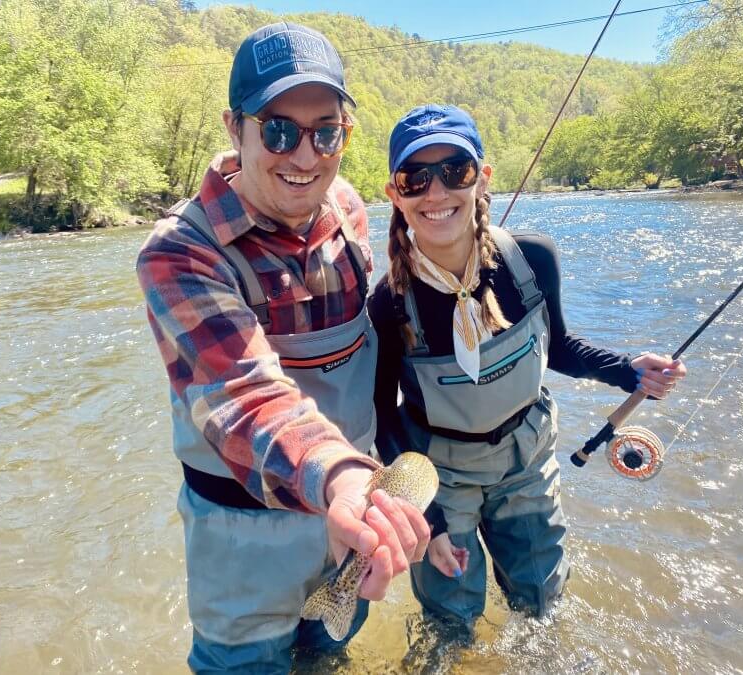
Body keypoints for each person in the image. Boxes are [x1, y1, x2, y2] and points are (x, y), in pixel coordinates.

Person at [136, 23, 430, 674]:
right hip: (244, 554)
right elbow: (246, 396)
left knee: (328, 657)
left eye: (325, 131)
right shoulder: (180, 253)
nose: (305, 155)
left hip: (347, 531)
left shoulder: (349, 210)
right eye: (278, 130)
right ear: (233, 128)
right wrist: (347, 478)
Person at [368, 104, 687, 625]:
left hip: (527, 457)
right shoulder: (387, 305)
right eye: (415, 178)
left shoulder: (531, 261)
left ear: (482, 178)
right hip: (440, 476)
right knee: (451, 621)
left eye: (456, 171)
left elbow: (559, 348)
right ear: (395, 194)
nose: (436, 192)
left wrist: (630, 372)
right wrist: (429, 519)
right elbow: (382, 417)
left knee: (542, 606)